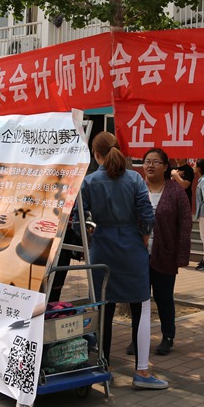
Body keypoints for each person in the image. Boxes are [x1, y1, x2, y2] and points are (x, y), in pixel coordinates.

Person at [79, 132, 167, 389]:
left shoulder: (89, 182)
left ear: (96, 154)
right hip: (132, 249)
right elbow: (147, 217)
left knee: (103, 308)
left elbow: (78, 221)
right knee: (140, 307)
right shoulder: (135, 179)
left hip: (102, 249)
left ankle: (103, 368)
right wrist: (142, 240)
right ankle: (142, 372)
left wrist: (92, 239)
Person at [140, 147, 192, 356]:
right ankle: (138, 338)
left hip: (165, 254)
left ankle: (168, 336)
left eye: (156, 162)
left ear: (165, 167)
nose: (150, 166)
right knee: (138, 299)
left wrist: (181, 254)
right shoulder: (137, 188)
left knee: (164, 298)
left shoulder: (175, 191)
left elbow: (185, 223)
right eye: (147, 162)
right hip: (138, 255)